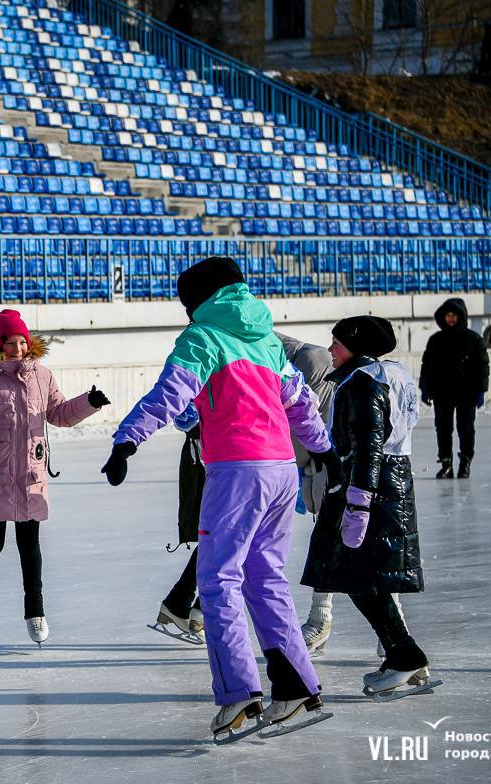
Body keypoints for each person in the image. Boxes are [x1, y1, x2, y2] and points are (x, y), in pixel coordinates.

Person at [103, 258, 339, 742]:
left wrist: (127, 440)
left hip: (237, 472)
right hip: (281, 471)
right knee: (265, 577)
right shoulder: (268, 340)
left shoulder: (203, 337)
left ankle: (238, 694)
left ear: (200, 299)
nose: (186, 311)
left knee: (217, 581)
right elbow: (299, 401)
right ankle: (295, 686)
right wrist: (324, 448)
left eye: (187, 301)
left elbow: (170, 393)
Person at [301, 316, 438, 701]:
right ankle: (402, 651)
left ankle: (403, 654)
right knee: (360, 576)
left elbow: (367, 444)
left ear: (357, 347)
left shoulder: (363, 382)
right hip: (391, 483)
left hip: (369, 487)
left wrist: (358, 503)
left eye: (337, 344)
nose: (330, 351)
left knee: (357, 575)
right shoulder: (393, 373)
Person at [0, 309, 108, 649]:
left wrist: (88, 402)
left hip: (30, 473)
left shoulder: (43, 375)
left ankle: (35, 611)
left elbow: (58, 414)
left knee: (30, 544)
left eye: (22, 342)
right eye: (10, 343)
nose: (17, 349)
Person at [275, 333, 342, 657]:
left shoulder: (310, 362)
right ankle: (320, 620)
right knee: (329, 545)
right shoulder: (308, 360)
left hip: (329, 467)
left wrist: (301, 463)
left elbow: (304, 421)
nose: (332, 349)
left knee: (341, 548)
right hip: (323, 466)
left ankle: (321, 620)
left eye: (338, 343)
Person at [149, 403, 205, 645]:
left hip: (222, 454)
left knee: (224, 537)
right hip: (215, 456)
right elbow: (183, 413)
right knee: (233, 537)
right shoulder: (201, 369)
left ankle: (180, 603)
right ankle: (199, 609)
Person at [419, 298, 489, 479]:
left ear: (461, 316)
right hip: (443, 393)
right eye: (447, 315)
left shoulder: (473, 340)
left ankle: (465, 463)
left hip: (466, 393)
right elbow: (427, 366)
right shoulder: (436, 340)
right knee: (443, 428)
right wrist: (425, 388)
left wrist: (481, 391)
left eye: (454, 315)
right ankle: (446, 463)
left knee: (466, 428)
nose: (450, 319)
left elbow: (482, 367)